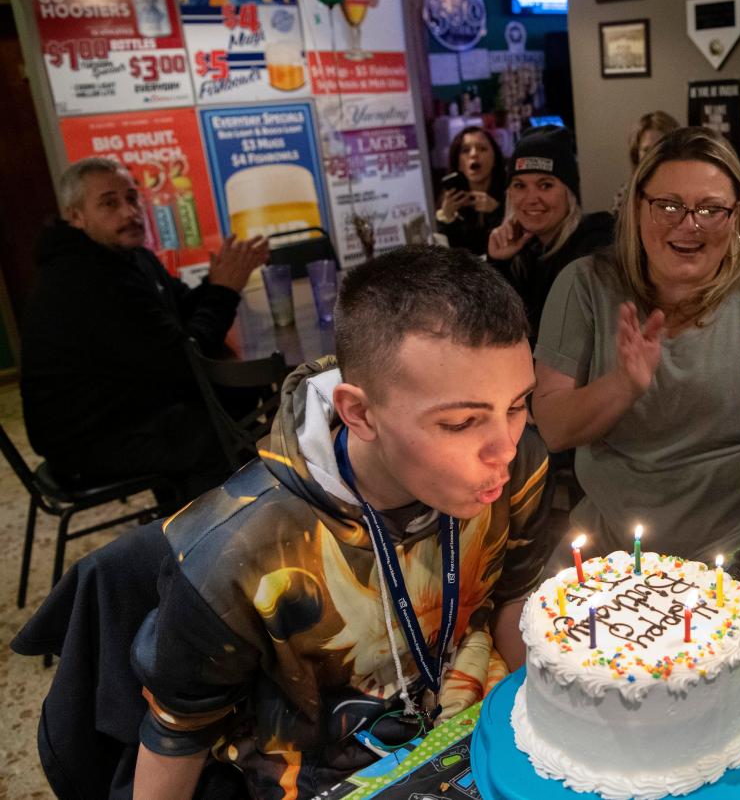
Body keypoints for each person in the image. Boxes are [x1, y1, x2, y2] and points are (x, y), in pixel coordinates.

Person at [131, 246, 555, 799]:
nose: (504, 447)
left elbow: (513, 601)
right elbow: (175, 738)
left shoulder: (517, 465)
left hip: (479, 724)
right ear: (358, 413)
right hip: (326, 778)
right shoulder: (234, 555)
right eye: (461, 422)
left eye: (518, 404)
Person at [531, 127, 740, 560]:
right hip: (621, 553)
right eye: (668, 206)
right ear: (636, 207)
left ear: (736, 215)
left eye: (710, 209)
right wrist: (622, 386)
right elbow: (553, 430)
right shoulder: (585, 285)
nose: (689, 225)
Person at [20, 157, 268, 498]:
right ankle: (202, 539)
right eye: (110, 203)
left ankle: (237, 506)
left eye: (132, 198)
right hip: (87, 440)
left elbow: (179, 310)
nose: (129, 212)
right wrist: (224, 290)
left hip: (129, 406)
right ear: (76, 217)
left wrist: (217, 282)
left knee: (237, 399)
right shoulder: (83, 279)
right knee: (212, 434)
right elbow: (186, 359)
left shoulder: (129, 256)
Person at [487, 126, 614, 342]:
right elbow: (502, 328)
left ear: (569, 192)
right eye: (520, 186)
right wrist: (499, 263)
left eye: (545, 185)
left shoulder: (592, 247)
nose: (531, 198)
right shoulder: (530, 249)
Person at [435, 126, 506, 256]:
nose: (473, 154)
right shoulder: (452, 200)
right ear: (458, 163)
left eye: (482, 149)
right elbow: (453, 256)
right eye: (466, 150)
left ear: (494, 158)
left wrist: (496, 211)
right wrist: (448, 218)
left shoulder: (509, 194)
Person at [613, 110, 681, 210]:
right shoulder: (627, 195)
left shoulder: (689, 191)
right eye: (647, 150)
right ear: (636, 154)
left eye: (660, 148)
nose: (653, 156)